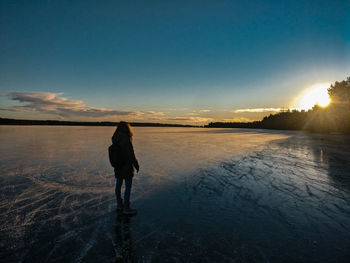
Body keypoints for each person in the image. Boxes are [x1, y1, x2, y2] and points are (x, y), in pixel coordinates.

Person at [112, 121, 139, 215]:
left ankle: (119, 204)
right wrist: (136, 164)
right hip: (126, 166)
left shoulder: (115, 137)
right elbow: (130, 153)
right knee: (128, 186)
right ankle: (126, 207)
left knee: (118, 184)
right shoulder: (126, 139)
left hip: (118, 165)